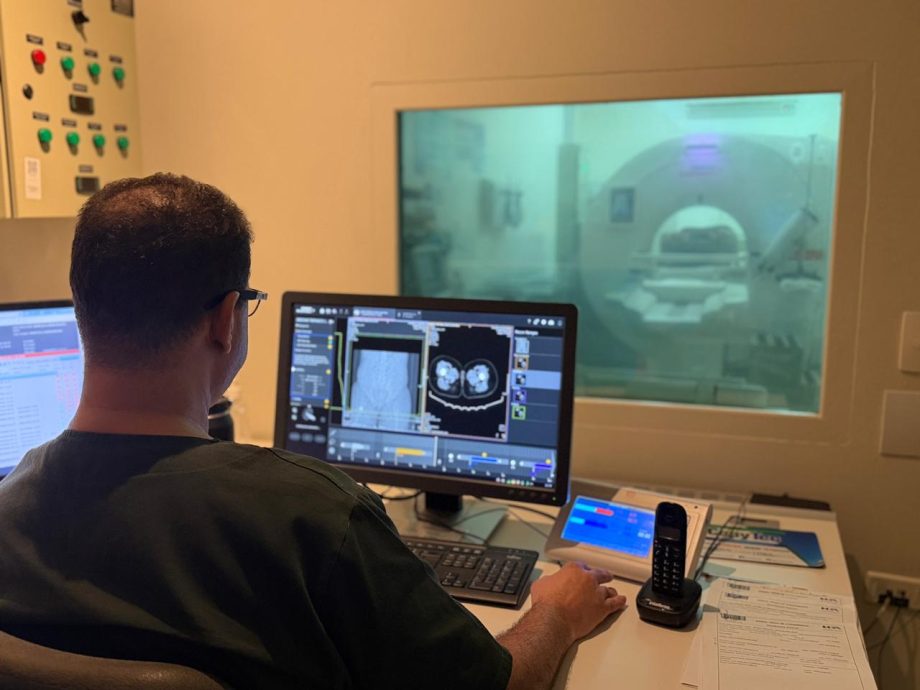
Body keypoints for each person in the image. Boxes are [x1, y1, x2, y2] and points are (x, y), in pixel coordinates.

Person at [0, 174, 626, 689]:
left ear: (82, 310)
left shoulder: (10, 507)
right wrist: (555, 612)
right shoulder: (314, 516)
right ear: (227, 320)